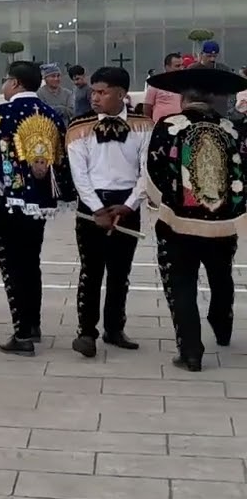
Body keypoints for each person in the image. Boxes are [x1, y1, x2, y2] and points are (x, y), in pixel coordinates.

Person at [0, 60, 75, 356]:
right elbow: (62, 159)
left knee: (12, 265)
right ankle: (34, 324)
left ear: (15, 83)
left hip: (9, 203)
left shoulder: (2, 113)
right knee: (31, 262)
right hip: (39, 204)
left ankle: (22, 332)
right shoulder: (50, 113)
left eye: (6, 80)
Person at [145, 66, 247, 372]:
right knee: (221, 275)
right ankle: (222, 323)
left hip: (179, 222)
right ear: (212, 99)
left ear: (183, 99)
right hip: (222, 223)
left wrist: (165, 202)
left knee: (181, 283)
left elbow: (154, 168)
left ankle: (191, 350)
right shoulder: (230, 128)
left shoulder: (169, 125)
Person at [64, 68, 148, 359]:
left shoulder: (143, 126)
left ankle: (115, 328)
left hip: (127, 203)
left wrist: (130, 204)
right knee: (91, 270)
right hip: (93, 205)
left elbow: (146, 170)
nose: (95, 97)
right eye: (94, 91)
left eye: (103, 92)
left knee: (120, 272)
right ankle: (86, 332)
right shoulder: (79, 126)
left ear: (122, 94)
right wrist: (96, 208)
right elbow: (79, 173)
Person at [189, 40, 238, 120]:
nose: (212, 59)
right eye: (209, 56)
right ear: (202, 54)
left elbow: (232, 90)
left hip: (220, 110)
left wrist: (230, 109)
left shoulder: (224, 69)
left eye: (214, 56)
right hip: (198, 110)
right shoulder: (192, 69)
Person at [143, 52, 185, 124]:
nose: (181, 68)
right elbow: (147, 106)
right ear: (167, 67)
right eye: (177, 66)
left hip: (179, 125)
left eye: (182, 66)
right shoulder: (156, 83)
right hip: (159, 125)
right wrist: (150, 122)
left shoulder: (184, 84)